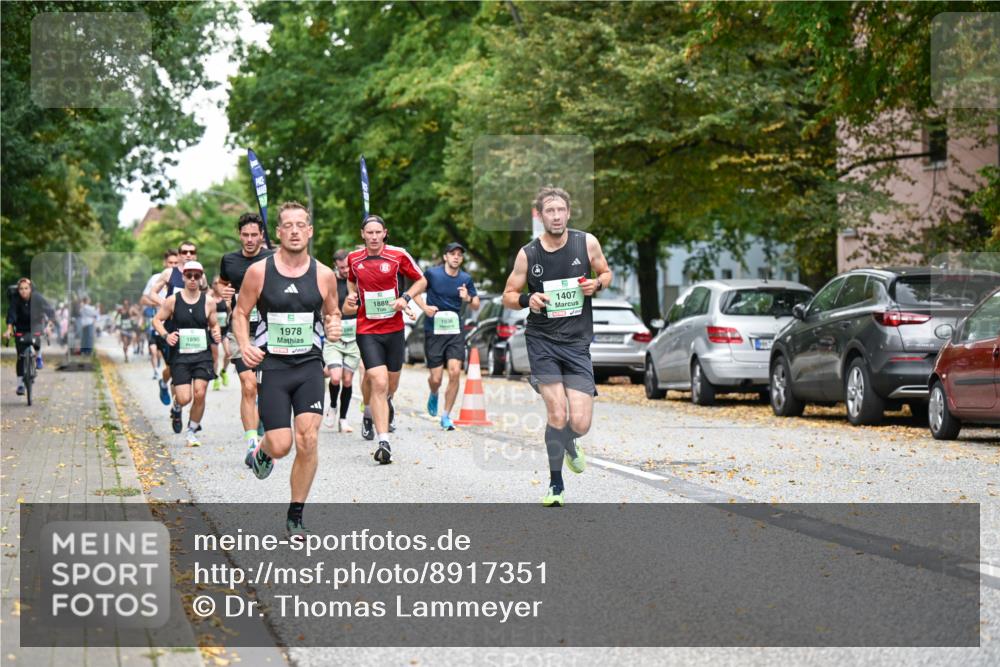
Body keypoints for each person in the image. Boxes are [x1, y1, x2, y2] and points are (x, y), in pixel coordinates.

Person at [233, 201, 341, 537]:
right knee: (281, 444)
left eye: (301, 225)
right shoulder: (259, 272)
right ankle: (260, 452)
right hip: (275, 366)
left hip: (309, 364)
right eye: (288, 225)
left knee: (308, 439)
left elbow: (332, 313)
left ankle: (296, 515)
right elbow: (240, 312)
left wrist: (335, 326)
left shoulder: (324, 275)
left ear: (309, 231)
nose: (295, 231)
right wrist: (245, 346)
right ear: (278, 232)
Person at [502, 186, 612, 507]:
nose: (556, 216)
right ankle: (555, 485)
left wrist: (598, 283)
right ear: (540, 215)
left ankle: (570, 443)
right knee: (558, 413)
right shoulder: (529, 254)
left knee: (580, 423)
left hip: (577, 343)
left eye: (560, 210)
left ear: (568, 212)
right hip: (543, 342)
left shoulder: (586, 242)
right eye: (549, 211)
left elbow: (606, 271)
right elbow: (508, 294)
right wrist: (527, 299)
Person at [344, 214, 426, 464]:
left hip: (394, 329)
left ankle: (373, 410)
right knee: (377, 381)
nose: (374, 237)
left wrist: (406, 298)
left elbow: (421, 280)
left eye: (378, 232)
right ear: (362, 235)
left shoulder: (398, 255)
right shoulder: (353, 259)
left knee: (390, 386)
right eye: (369, 233)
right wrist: (350, 299)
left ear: (385, 233)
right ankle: (384, 441)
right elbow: (351, 284)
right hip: (367, 329)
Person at [217, 212, 274, 462]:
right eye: (245, 235)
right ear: (239, 235)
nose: (249, 239)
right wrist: (224, 291)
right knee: (248, 385)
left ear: (261, 235)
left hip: (269, 330)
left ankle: (261, 419)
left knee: (264, 387)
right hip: (240, 331)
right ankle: (252, 445)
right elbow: (222, 284)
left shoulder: (273, 258)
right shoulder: (229, 260)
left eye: (254, 234)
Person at [152, 260, 221, 446]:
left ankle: (191, 431)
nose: (192, 279)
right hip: (180, 355)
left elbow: (214, 324)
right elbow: (157, 320)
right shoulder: (173, 300)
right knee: (184, 398)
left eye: (196, 276)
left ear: (201, 278)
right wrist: (166, 336)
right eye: (189, 275)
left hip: (202, 355)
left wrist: (216, 331)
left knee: (200, 394)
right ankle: (176, 407)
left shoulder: (209, 302)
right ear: (183, 277)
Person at [422, 242, 479, 430]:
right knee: (436, 378)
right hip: (434, 331)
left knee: (455, 372)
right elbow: (414, 291)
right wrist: (424, 308)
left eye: (459, 255)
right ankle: (434, 392)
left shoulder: (466, 278)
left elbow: (476, 304)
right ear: (445, 256)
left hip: (455, 331)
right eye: (452, 254)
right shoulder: (432, 274)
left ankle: (446, 416)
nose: (456, 257)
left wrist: (468, 298)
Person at [322, 249, 361, 432]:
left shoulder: (358, 280)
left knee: (347, 380)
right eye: (342, 267)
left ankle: (343, 419)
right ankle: (332, 405)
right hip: (335, 335)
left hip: (354, 336)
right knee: (335, 377)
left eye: (348, 266)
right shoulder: (331, 282)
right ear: (336, 266)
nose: (346, 270)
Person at [5, 278, 55, 394]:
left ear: (31, 289)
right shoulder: (16, 299)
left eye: (26, 288)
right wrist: (8, 330)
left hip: (36, 324)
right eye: (21, 289)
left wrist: (49, 326)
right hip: (21, 327)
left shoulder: (37, 298)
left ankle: (38, 357)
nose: (23, 291)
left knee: (37, 338)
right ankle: (20, 385)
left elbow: (50, 312)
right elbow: (11, 314)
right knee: (20, 357)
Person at [142, 249, 177, 380]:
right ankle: (163, 381)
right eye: (170, 262)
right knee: (171, 366)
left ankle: (178, 398)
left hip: (178, 327)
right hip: (160, 327)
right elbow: (143, 299)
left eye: (175, 263)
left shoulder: (185, 277)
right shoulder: (157, 278)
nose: (173, 265)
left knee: (177, 366)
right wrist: (162, 304)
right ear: (165, 263)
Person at [210, 276, 232, 391]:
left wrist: (229, 307)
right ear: (212, 285)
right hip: (213, 332)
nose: (217, 285)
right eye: (215, 283)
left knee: (229, 353)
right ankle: (216, 378)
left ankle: (223, 371)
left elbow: (232, 313)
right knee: (215, 358)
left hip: (224, 330)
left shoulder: (226, 298)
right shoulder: (209, 298)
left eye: (219, 283)